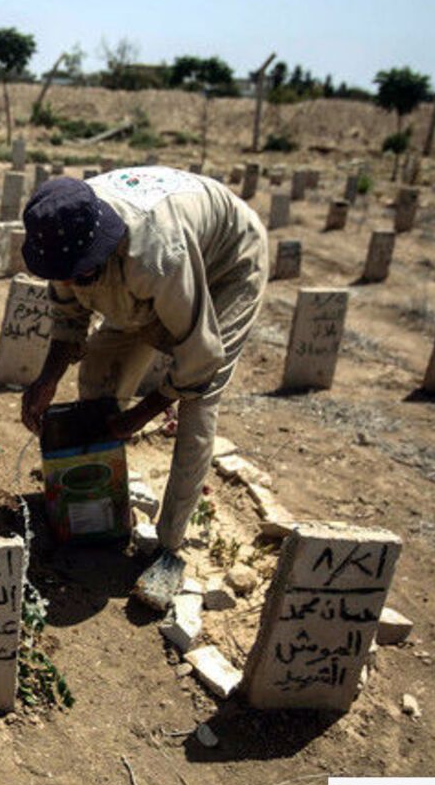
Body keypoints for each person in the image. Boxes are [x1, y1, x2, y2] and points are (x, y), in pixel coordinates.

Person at [18, 168, 268, 600]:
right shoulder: (62, 232)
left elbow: (201, 356)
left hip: (226, 263)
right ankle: (100, 500)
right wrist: (47, 379)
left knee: (198, 405)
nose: (66, 283)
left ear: (99, 251)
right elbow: (69, 317)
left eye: (77, 275)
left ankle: (171, 548)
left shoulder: (156, 255)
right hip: (148, 274)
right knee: (98, 374)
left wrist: (141, 413)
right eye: (60, 274)